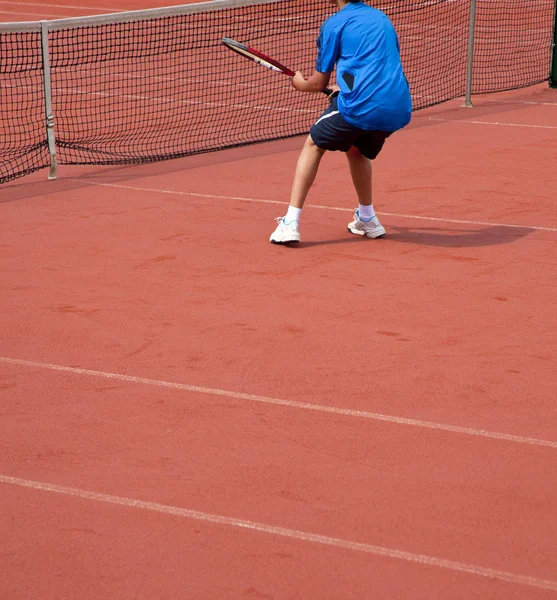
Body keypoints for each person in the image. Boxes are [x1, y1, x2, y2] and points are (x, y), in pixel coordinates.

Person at [270, 0, 412, 244]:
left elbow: (317, 84)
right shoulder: (381, 19)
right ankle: (367, 218)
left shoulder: (334, 24)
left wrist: (298, 83)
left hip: (363, 107)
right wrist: (345, 89)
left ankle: (290, 223)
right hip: (398, 107)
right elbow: (373, 67)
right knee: (356, 150)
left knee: (314, 144)